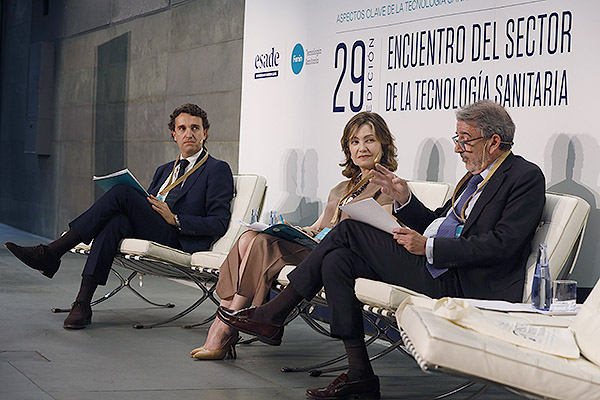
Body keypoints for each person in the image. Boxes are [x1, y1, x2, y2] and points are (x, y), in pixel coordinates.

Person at [217, 100, 546, 399]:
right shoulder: (471, 179)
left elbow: (502, 245)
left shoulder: (524, 177)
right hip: (439, 266)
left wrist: (429, 247)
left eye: (465, 140)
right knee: (338, 259)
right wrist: (404, 198)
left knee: (348, 230)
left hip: (465, 281)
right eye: (457, 138)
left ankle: (275, 315)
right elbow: (437, 221)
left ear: (494, 142)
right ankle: (359, 373)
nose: (458, 148)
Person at [190, 112, 398, 360]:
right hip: (315, 247)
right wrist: (292, 229)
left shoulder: (389, 186)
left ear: (383, 145)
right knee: (248, 237)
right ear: (348, 149)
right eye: (355, 142)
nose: (361, 148)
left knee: (262, 244)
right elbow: (318, 227)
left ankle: (224, 328)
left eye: (369, 140)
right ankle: (232, 324)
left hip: (340, 257)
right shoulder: (341, 189)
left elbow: (385, 231)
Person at [5, 103, 234, 330]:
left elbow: (219, 222)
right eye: (182, 128)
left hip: (178, 238)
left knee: (123, 193)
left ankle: (52, 252)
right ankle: (82, 303)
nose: (189, 134)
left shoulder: (216, 169)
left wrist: (175, 219)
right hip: (153, 229)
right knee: (115, 222)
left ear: (205, 133)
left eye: (195, 128)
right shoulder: (165, 169)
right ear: (174, 135)